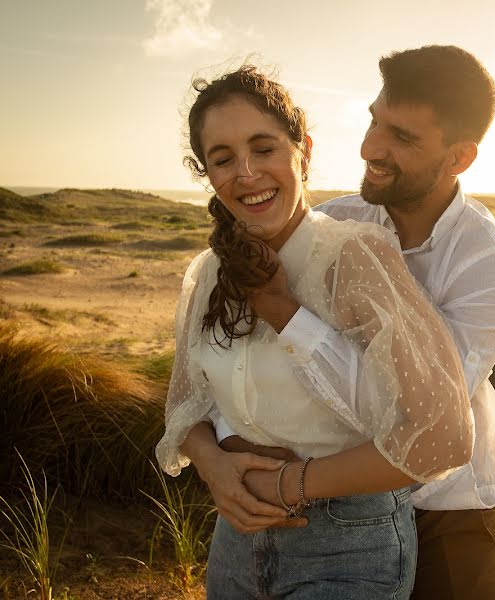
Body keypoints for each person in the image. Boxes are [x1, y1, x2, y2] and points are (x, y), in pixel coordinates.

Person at [211, 46, 495, 599]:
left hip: (445, 506)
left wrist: (287, 314)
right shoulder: (337, 220)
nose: (370, 148)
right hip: (336, 509)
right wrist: (218, 459)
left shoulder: (489, 266)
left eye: (403, 138)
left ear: (459, 158)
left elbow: (411, 412)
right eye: (374, 121)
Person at [155, 65, 474, 599]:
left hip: (348, 543)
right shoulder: (208, 272)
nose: (248, 173)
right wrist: (215, 469)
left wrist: (285, 313)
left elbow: (442, 435)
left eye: (264, 148)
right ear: (206, 172)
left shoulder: (354, 256)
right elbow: (186, 405)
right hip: (235, 537)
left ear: (302, 148)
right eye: (224, 158)